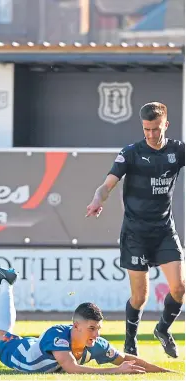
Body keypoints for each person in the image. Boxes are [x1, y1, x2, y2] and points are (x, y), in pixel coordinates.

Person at [86, 102, 185, 359]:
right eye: (146, 129)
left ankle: (162, 330)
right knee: (140, 296)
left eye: (155, 129)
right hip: (135, 233)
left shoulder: (178, 150)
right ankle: (130, 342)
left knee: (180, 288)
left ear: (166, 125)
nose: (150, 134)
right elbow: (106, 185)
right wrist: (98, 200)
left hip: (164, 230)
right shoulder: (130, 153)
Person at [0, 264, 174, 374]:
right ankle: (7, 283)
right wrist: (115, 371)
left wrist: (164, 372)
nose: (96, 333)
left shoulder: (95, 343)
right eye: (92, 328)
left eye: (98, 328)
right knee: (2, 335)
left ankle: (7, 283)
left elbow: (126, 359)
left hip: (34, 345)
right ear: (76, 326)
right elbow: (72, 368)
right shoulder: (57, 335)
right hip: (15, 351)